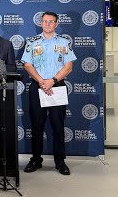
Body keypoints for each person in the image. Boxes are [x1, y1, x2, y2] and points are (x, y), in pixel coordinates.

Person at [21, 11, 77, 176]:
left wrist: (51, 81)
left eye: (51, 21)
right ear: (40, 23)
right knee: (36, 126)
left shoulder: (64, 42)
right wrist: (41, 81)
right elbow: (27, 65)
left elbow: (68, 67)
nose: (47, 24)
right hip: (37, 86)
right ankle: (36, 159)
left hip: (57, 86)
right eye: (45, 21)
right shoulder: (32, 42)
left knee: (58, 126)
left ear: (56, 23)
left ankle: (60, 161)